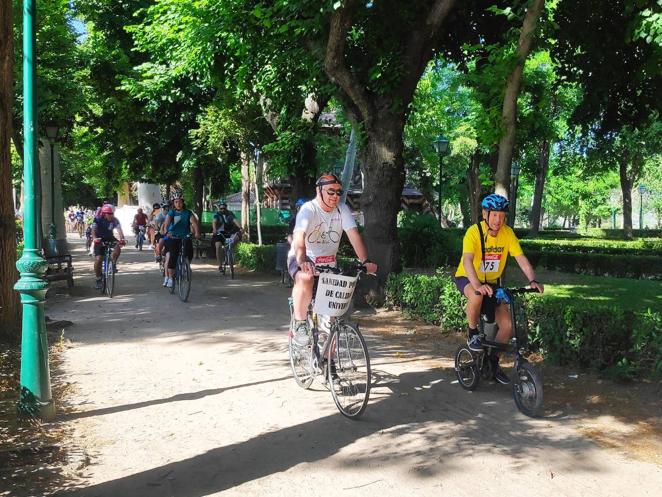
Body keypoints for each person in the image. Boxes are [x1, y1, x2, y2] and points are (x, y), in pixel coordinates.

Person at [454, 193, 544, 384]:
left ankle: (492, 363)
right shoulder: (473, 232)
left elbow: (520, 258)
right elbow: (468, 260)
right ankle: (472, 332)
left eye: (502, 216)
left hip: (492, 283)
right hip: (468, 277)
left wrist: (533, 280)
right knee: (477, 295)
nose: (498, 220)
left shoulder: (507, 233)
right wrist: (477, 285)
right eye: (494, 215)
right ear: (485, 214)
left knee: (508, 326)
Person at [288, 173, 378, 346]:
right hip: (304, 257)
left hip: (329, 263)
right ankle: (300, 324)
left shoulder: (341, 209)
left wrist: (365, 262)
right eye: (331, 192)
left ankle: (329, 364)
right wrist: (302, 261)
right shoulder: (309, 209)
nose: (335, 196)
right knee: (305, 278)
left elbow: (353, 236)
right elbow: (299, 237)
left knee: (332, 320)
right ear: (319, 190)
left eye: (338, 192)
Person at [161, 195, 201, 288]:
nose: (178, 204)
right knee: (172, 257)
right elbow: (167, 223)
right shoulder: (172, 213)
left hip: (185, 236)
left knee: (190, 253)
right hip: (173, 237)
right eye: (176, 202)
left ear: (183, 203)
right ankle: (170, 278)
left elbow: (194, 223)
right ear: (174, 204)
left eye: (180, 202)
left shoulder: (188, 213)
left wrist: (197, 233)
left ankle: (185, 264)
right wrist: (167, 231)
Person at [91, 205, 126, 289]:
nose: (111, 215)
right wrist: (95, 238)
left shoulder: (115, 220)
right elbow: (93, 230)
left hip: (110, 238)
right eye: (109, 214)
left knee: (118, 246)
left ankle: (113, 263)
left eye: (112, 213)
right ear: (104, 214)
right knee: (99, 259)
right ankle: (98, 278)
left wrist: (122, 239)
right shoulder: (98, 219)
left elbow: (119, 230)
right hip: (99, 239)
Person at [211, 200, 242, 273]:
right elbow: (214, 222)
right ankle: (220, 266)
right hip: (219, 233)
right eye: (221, 208)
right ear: (219, 208)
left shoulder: (230, 214)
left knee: (236, 237)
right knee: (218, 246)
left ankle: (230, 249)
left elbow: (235, 220)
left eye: (224, 208)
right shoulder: (217, 214)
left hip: (229, 233)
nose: (222, 210)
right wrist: (215, 230)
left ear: (226, 208)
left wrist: (240, 228)